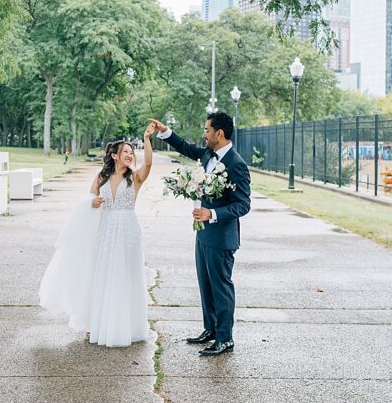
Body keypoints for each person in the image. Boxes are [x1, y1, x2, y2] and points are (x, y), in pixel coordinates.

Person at [39, 125, 156, 347]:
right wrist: (92, 203)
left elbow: (148, 163)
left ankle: (127, 325)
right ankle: (99, 322)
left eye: (132, 153)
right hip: (106, 229)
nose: (130, 156)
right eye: (126, 152)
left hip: (128, 229)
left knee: (125, 275)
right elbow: (88, 200)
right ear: (114, 156)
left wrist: (147, 139)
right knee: (104, 273)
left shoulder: (135, 178)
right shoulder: (101, 177)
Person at [149, 112, 251, 356]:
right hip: (203, 234)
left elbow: (243, 204)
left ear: (219, 133)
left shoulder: (236, 164)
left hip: (222, 237)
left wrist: (212, 214)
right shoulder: (208, 154)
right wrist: (165, 132)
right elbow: (185, 147)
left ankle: (225, 338)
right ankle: (211, 330)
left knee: (221, 287)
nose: (204, 135)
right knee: (205, 285)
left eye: (207, 130)